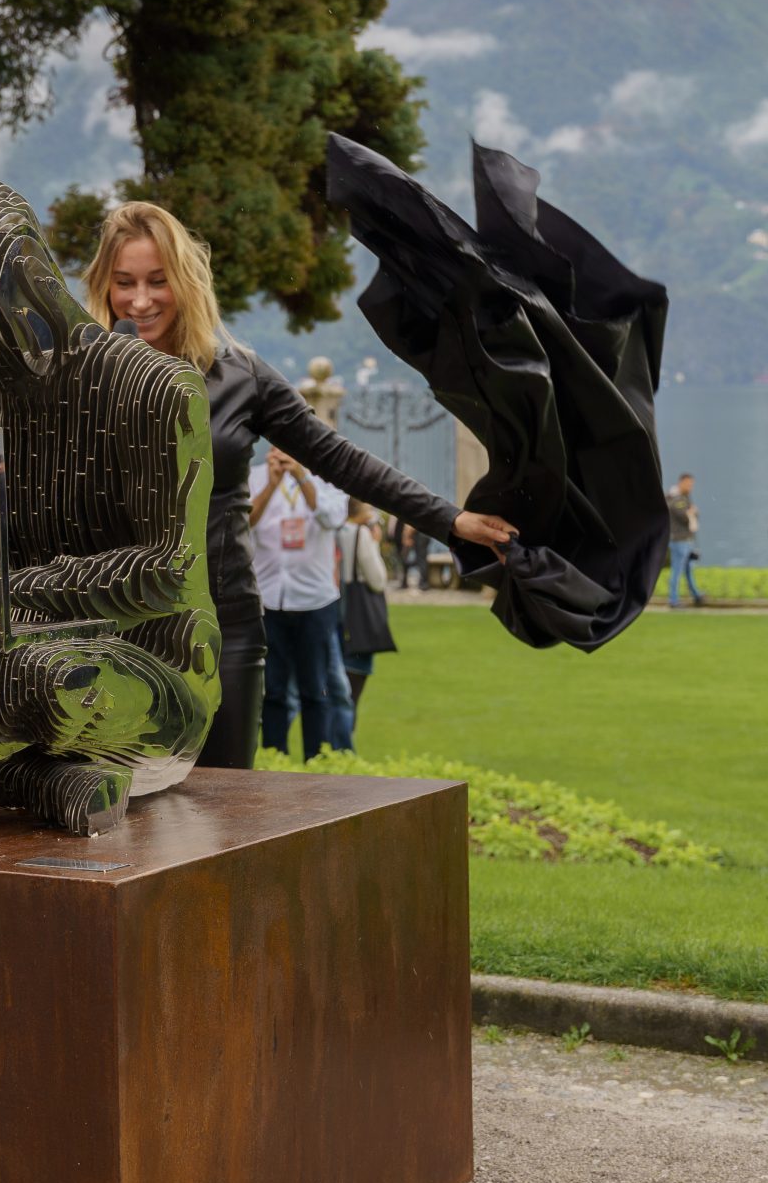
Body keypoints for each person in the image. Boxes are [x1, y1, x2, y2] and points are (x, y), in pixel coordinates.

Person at [79, 200, 515, 769]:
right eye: (124, 283)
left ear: (186, 282)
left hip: (223, 629)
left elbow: (339, 458)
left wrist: (452, 521)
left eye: (158, 281)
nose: (140, 300)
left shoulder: (240, 375)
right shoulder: (79, 379)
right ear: (103, 287)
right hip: (111, 628)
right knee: (115, 819)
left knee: (222, 813)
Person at [252, 447, 352, 758]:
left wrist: (300, 475)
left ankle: (317, 762)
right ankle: (273, 760)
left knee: (316, 690)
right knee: (273, 691)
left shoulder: (327, 480)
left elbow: (332, 518)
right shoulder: (254, 477)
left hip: (315, 601)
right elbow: (244, 521)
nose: (283, 453)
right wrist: (271, 483)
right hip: (269, 600)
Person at [336, 503, 397, 734]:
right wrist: (375, 542)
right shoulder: (360, 533)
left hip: (334, 610)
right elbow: (377, 579)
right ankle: (344, 741)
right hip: (358, 617)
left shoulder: (334, 529)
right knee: (352, 690)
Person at [663, 473, 706, 607]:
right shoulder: (678, 500)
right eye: (688, 483)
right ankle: (673, 600)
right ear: (681, 482)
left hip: (684, 539)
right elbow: (684, 516)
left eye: (691, 484)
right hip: (679, 540)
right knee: (677, 569)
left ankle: (696, 594)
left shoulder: (681, 497)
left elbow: (693, 513)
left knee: (687, 569)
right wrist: (692, 512)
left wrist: (692, 512)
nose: (690, 486)